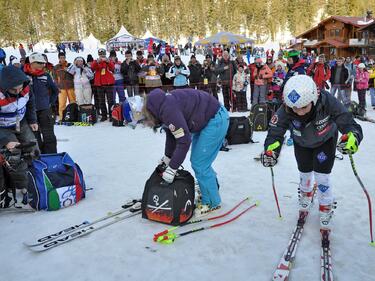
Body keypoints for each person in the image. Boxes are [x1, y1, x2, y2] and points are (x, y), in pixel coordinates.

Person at [261, 75, 362, 229]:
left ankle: (326, 205)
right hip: (301, 142)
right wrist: (271, 151)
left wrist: (353, 137)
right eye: (295, 108)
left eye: (304, 107)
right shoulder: (285, 108)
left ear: (313, 99)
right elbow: (275, 132)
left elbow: (348, 122)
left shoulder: (327, 101)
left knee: (322, 176)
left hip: (325, 141)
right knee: (304, 171)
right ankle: (306, 193)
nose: (299, 112)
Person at [142, 88, 229, 216]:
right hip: (205, 119)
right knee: (199, 162)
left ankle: (212, 203)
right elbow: (172, 135)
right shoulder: (161, 107)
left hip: (215, 119)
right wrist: (168, 157)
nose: (147, 125)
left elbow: (183, 141)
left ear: (149, 114)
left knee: (199, 163)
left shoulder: (167, 111)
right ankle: (211, 189)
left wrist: (172, 168)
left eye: (145, 122)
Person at [0, 66, 39, 209]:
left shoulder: (26, 88)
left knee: (33, 148)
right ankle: (22, 186)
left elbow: (31, 103)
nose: (18, 92)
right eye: (13, 90)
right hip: (3, 128)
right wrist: (5, 141)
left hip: (20, 122)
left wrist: (33, 120)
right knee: (15, 154)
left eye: (19, 88)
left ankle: (36, 177)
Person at [24, 52, 59, 153]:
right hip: (29, 112)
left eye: (44, 63)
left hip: (44, 110)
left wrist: (49, 102)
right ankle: (39, 158)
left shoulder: (46, 75)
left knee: (49, 136)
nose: (43, 65)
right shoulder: (23, 75)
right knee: (35, 137)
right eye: (40, 63)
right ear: (32, 62)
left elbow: (55, 90)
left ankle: (52, 157)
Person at [91, 48, 115, 121]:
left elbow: (112, 68)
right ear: (98, 55)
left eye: (103, 54)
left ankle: (111, 115)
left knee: (110, 101)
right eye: (100, 54)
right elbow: (92, 68)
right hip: (99, 85)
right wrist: (97, 62)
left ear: (105, 54)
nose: (102, 56)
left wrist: (108, 62)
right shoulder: (96, 61)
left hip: (108, 84)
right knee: (101, 101)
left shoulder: (109, 61)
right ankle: (104, 115)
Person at [53, 52, 76, 121]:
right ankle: (62, 117)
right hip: (61, 88)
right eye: (61, 58)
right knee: (62, 103)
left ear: (65, 58)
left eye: (63, 57)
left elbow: (74, 74)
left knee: (73, 102)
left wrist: (68, 70)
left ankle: (74, 116)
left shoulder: (70, 65)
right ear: (59, 58)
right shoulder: (56, 67)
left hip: (70, 87)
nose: (62, 59)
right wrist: (57, 86)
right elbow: (55, 78)